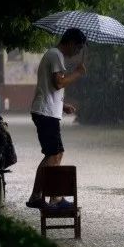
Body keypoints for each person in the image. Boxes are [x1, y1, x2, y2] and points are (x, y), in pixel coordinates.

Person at [26, 28, 87, 209]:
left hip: (49, 111)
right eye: (77, 48)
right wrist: (77, 73)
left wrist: (62, 104)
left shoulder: (54, 55)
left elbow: (51, 88)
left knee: (56, 153)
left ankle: (50, 195)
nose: (76, 53)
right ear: (70, 42)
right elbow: (58, 82)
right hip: (45, 112)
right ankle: (44, 196)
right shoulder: (56, 55)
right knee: (53, 154)